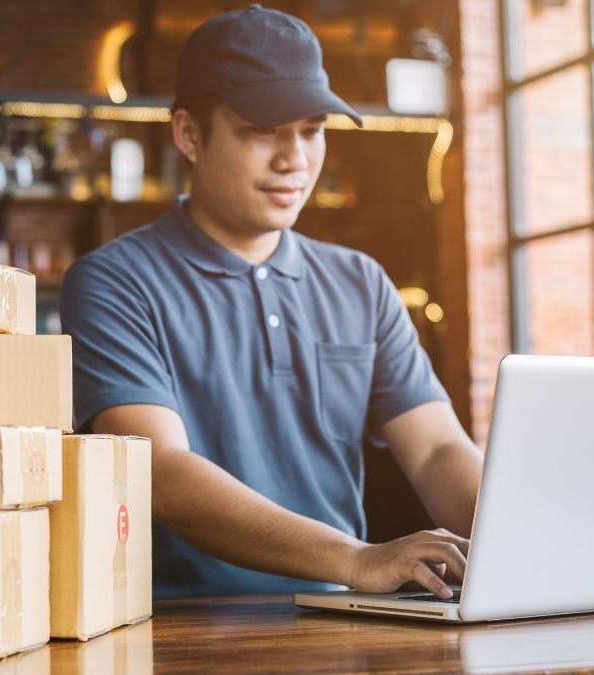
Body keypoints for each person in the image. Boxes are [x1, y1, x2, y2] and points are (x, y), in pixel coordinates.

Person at [60, 5, 483, 598]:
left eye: (311, 130)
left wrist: (521, 538)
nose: (295, 159)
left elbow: (438, 448)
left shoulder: (361, 282)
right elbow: (161, 472)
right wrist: (356, 559)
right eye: (262, 130)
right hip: (181, 636)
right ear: (188, 134)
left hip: (340, 626)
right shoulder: (114, 282)